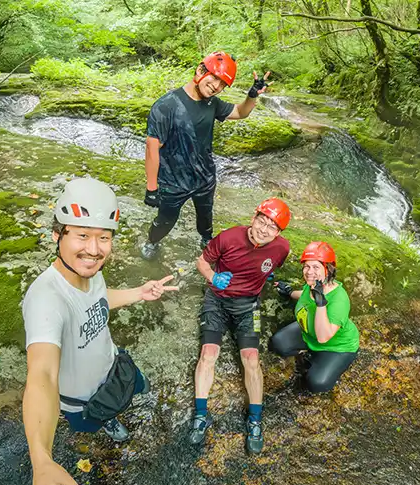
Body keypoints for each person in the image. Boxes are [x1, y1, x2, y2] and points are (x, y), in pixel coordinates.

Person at [22, 178, 179, 485]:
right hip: (84, 401)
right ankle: (106, 421)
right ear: (57, 235)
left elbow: (98, 300)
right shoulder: (45, 300)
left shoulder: (90, 272)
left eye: (103, 237)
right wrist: (41, 458)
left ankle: (116, 410)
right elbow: (42, 376)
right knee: (97, 420)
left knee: (135, 389)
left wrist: (139, 292)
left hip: (114, 366)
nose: (94, 249)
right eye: (82, 235)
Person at [141, 51, 273, 260]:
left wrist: (252, 94)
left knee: (205, 216)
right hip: (173, 181)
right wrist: (151, 188)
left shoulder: (213, 104)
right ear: (201, 70)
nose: (216, 87)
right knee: (165, 220)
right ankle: (152, 241)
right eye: (215, 79)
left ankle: (206, 239)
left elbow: (240, 112)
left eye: (222, 85)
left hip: (204, 178)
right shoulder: (166, 105)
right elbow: (152, 148)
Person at [189, 198, 291, 455]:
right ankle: (201, 415)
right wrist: (213, 277)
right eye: (262, 220)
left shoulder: (281, 249)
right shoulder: (229, 237)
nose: (263, 229)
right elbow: (201, 261)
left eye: (272, 227)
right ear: (253, 217)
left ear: (278, 233)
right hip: (217, 300)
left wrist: (265, 275)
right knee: (208, 354)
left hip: (248, 306)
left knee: (252, 359)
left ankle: (255, 419)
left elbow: (272, 267)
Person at [270, 242, 359, 393]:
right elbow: (304, 294)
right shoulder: (313, 285)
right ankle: (308, 352)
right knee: (278, 344)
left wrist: (321, 303)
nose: (309, 272)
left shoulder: (339, 299)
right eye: (306, 266)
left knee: (317, 384)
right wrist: (289, 291)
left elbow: (323, 337)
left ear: (328, 269)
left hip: (336, 347)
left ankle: (326, 361)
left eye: (316, 267)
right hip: (308, 334)